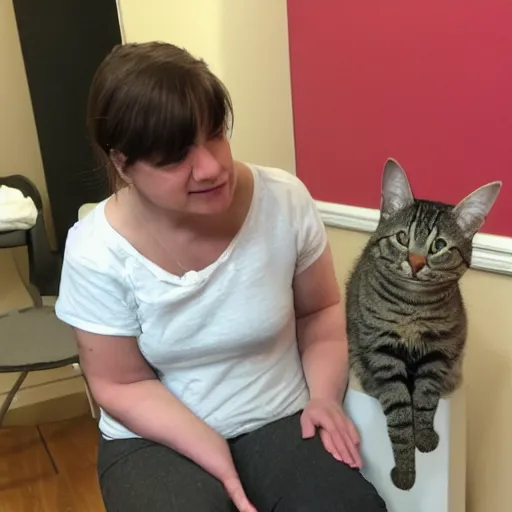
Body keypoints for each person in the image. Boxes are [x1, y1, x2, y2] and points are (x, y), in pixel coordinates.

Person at [54, 41, 387, 512]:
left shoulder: (284, 201)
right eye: (174, 157)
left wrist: (324, 397)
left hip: (278, 417)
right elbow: (118, 384)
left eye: (215, 134)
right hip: (154, 439)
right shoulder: (95, 250)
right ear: (122, 163)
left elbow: (321, 310)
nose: (211, 167)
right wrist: (212, 448)